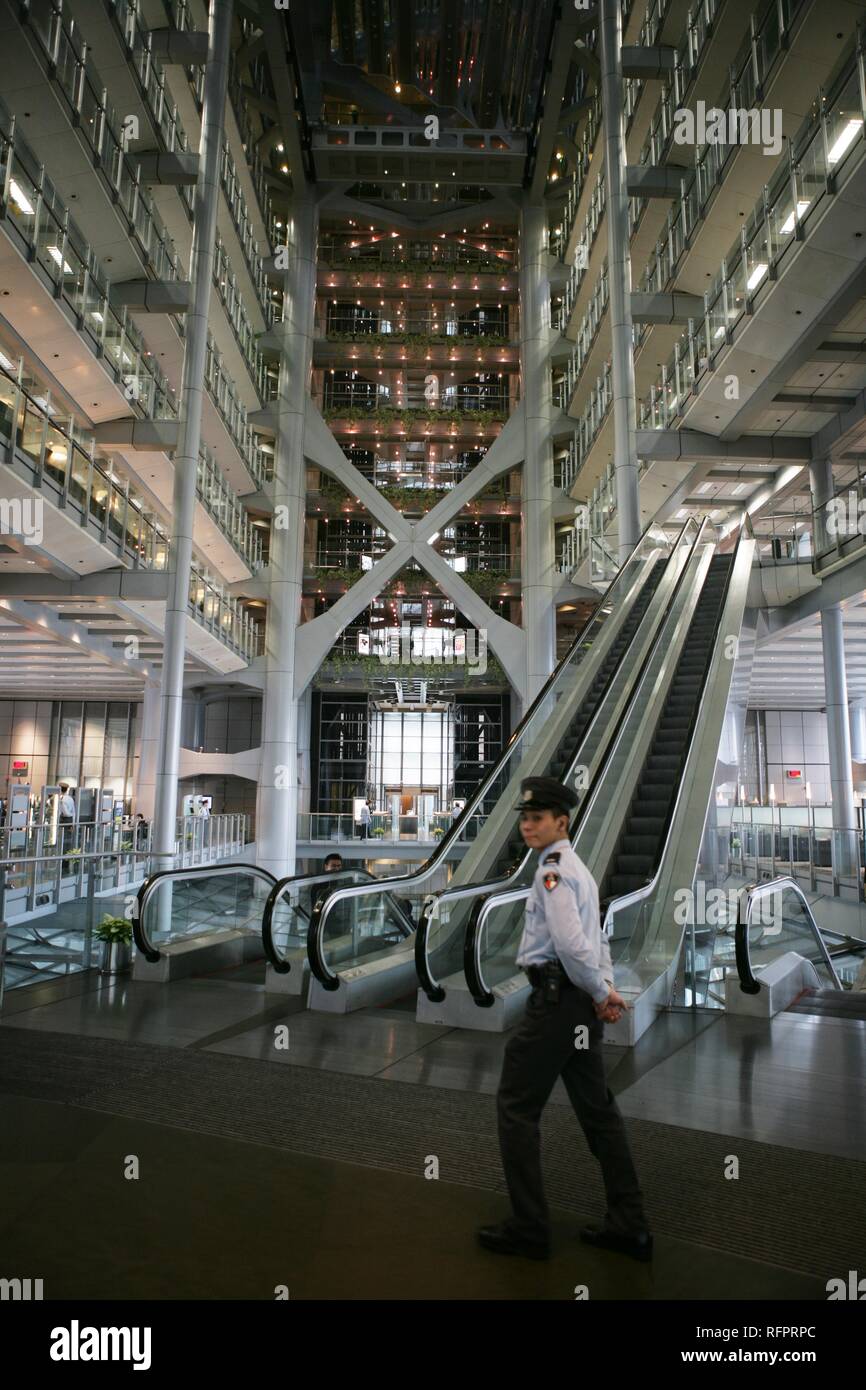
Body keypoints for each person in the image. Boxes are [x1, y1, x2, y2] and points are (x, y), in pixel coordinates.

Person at [477, 776, 652, 1263]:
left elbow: (574, 945)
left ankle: (529, 1227)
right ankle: (629, 1223)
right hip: (576, 1005)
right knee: (598, 1112)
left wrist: (599, 990)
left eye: (537, 818)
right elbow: (597, 940)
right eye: (525, 818)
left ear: (562, 821)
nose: (528, 826)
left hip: (555, 1005)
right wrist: (604, 991)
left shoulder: (552, 871)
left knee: (516, 1106)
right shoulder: (577, 868)